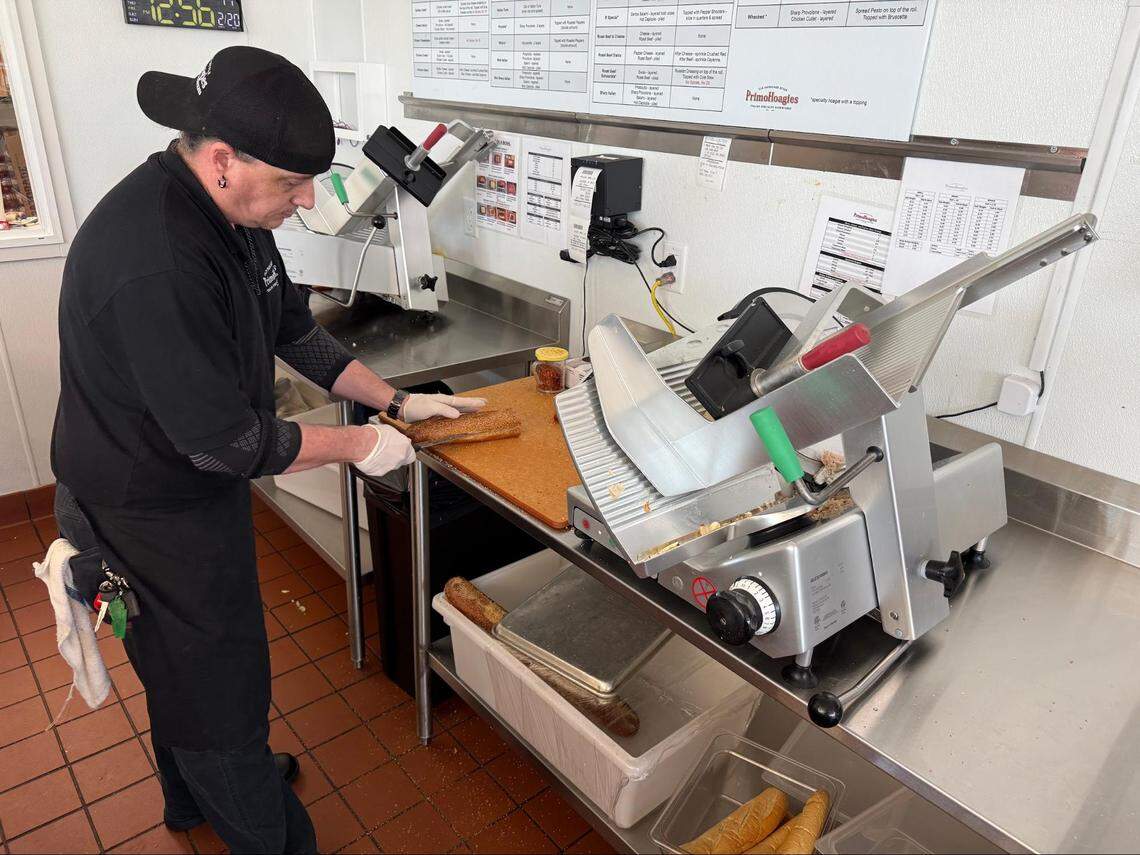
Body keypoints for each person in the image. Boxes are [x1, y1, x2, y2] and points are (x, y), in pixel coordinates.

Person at [49, 46, 483, 854]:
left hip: (183, 482)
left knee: (179, 666)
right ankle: (255, 813)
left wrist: (393, 398)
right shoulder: (160, 258)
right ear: (223, 160)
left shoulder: (233, 216)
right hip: (141, 505)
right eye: (291, 182)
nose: (308, 199)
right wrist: (360, 444)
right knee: (214, 682)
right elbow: (231, 445)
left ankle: (193, 796)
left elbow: (291, 329)